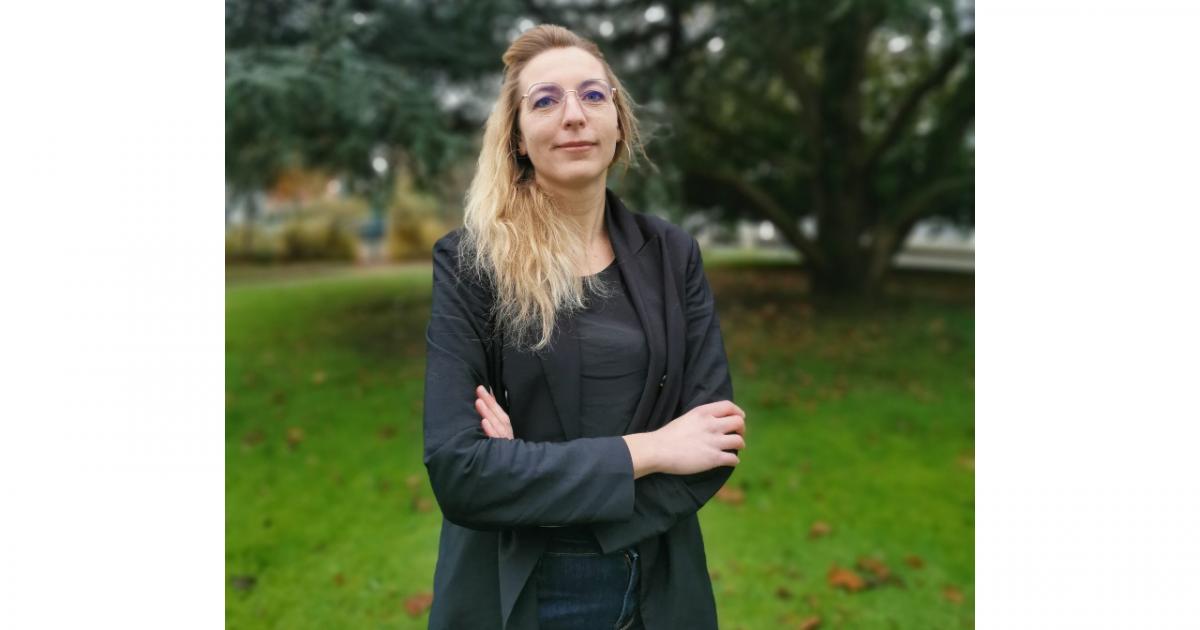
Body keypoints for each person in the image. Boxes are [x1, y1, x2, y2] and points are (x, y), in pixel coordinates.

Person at [422, 24, 747, 630]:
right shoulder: (472, 264)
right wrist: (652, 450)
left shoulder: (673, 254)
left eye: (593, 95)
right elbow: (462, 473)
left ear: (618, 122)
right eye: (545, 100)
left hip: (659, 586)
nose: (574, 115)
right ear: (518, 137)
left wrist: (527, 477)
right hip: (522, 589)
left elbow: (713, 444)